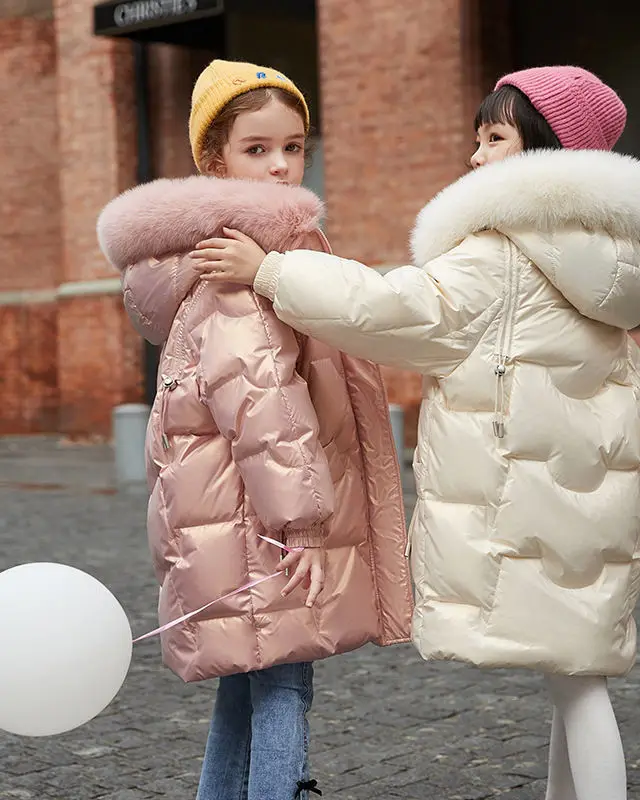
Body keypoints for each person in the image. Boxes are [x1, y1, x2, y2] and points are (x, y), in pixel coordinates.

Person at [190, 66, 640, 800]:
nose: (477, 157)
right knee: (578, 673)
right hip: (584, 501)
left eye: (495, 138)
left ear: (546, 149)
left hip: (522, 495)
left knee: (577, 685)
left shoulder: (503, 252)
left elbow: (394, 311)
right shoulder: (605, 258)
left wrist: (274, 271)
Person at [96, 59, 412, 800]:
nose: (279, 166)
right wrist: (299, 523)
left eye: (293, 147)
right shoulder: (247, 254)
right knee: (282, 687)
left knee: (246, 684)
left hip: (225, 514)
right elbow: (261, 397)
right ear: (214, 158)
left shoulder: (212, 251)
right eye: (257, 148)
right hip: (261, 519)